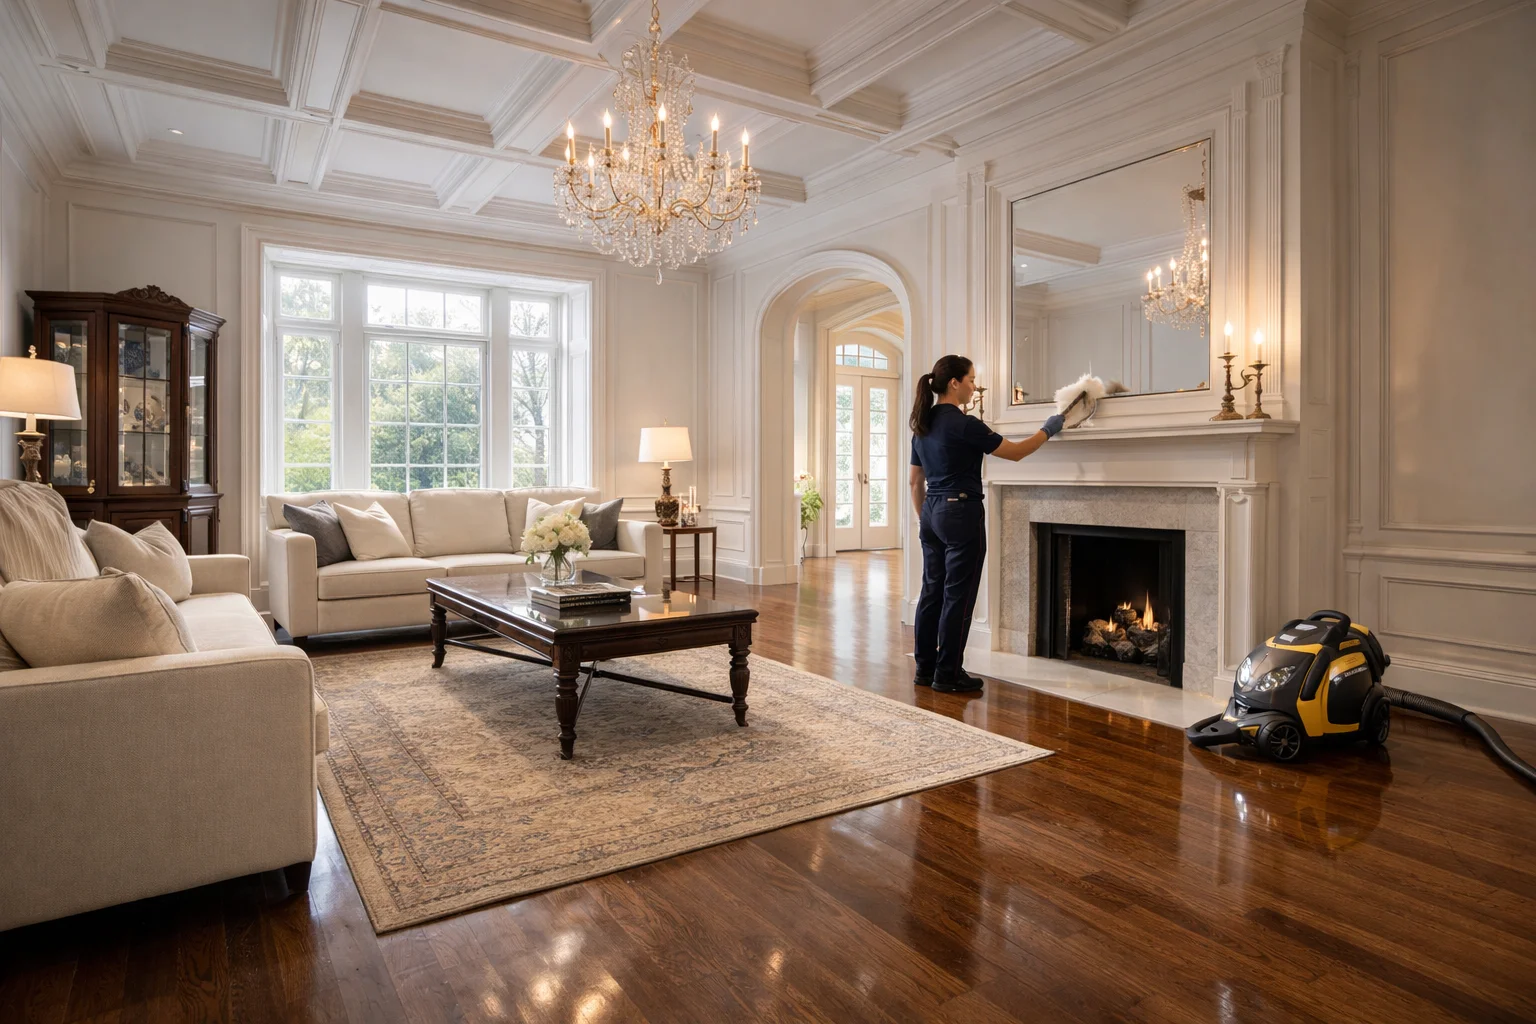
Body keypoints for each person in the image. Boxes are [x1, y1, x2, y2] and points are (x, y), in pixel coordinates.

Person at [909, 355, 1063, 693]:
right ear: (955, 383)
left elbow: (913, 482)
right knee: (958, 596)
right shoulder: (964, 424)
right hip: (961, 513)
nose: (974, 385)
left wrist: (926, 519)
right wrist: (1049, 428)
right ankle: (947, 673)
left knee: (931, 592)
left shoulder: (922, 423)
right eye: (971, 379)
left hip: (932, 512)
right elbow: (1017, 452)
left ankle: (925, 669)